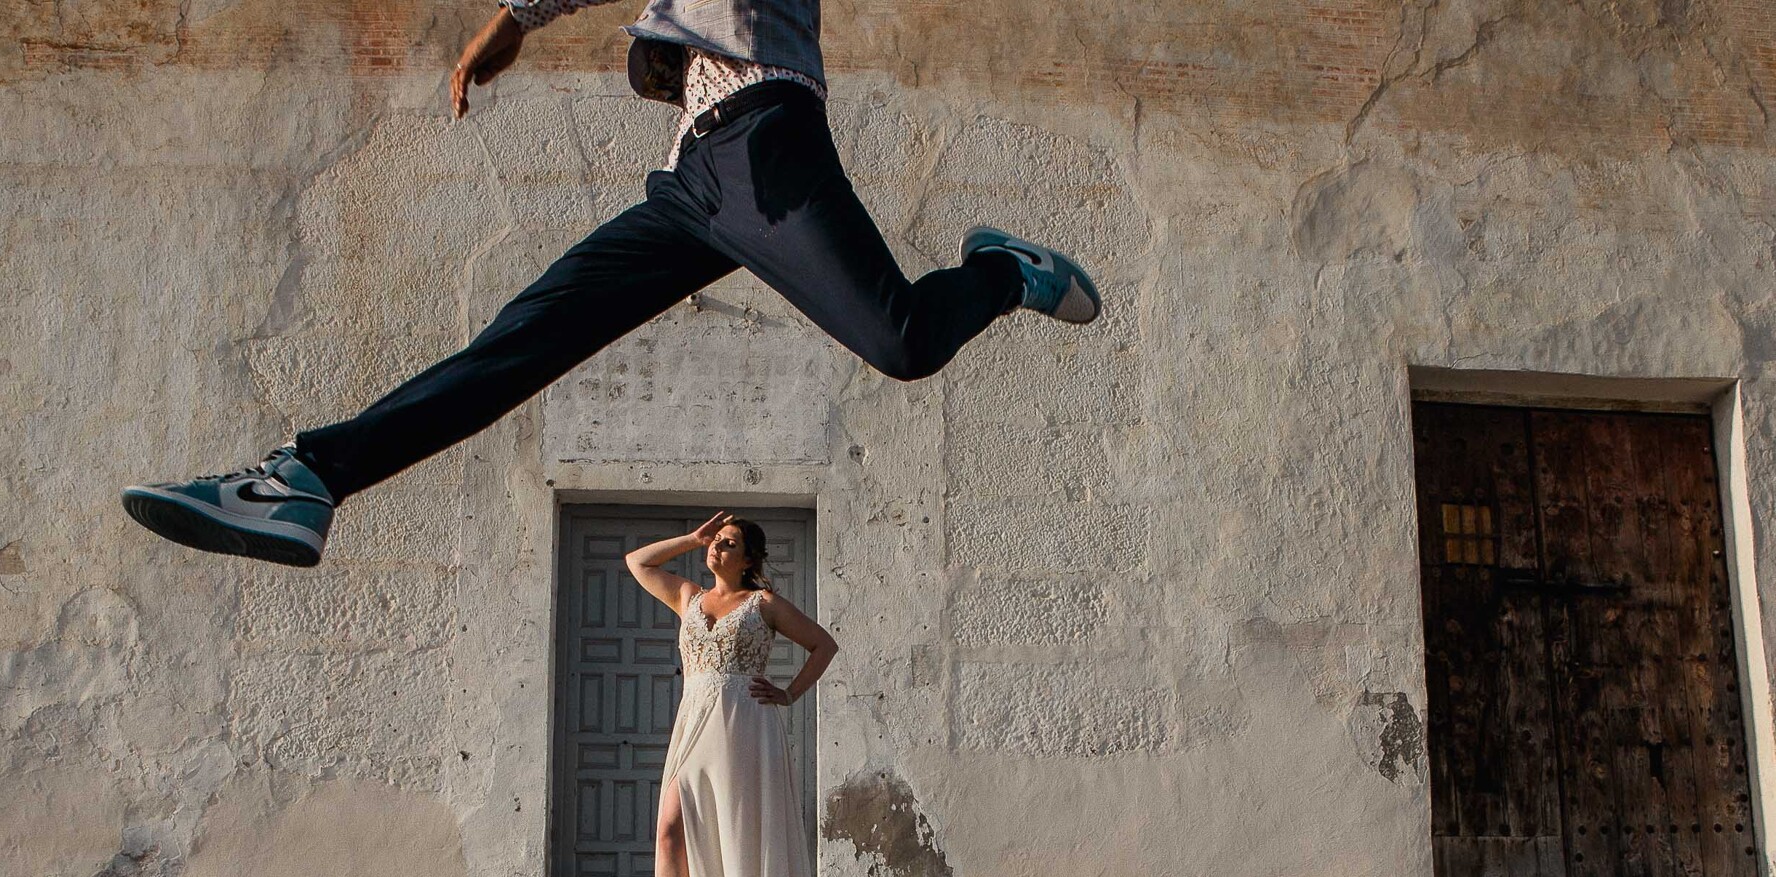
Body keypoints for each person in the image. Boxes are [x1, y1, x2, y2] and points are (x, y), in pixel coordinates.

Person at [118, 0, 1102, 566]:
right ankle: (306, 478)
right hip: (696, 183)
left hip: (764, 136)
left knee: (902, 341)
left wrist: (509, 20)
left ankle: (996, 273)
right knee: (517, 345)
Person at [624, 512, 837, 877]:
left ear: (749, 559)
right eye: (715, 542)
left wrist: (788, 694)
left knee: (741, 836)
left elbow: (823, 645)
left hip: (745, 726)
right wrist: (689, 538)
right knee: (669, 831)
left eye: (728, 543)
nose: (716, 549)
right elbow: (637, 561)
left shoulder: (762, 603)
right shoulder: (687, 597)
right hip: (695, 722)